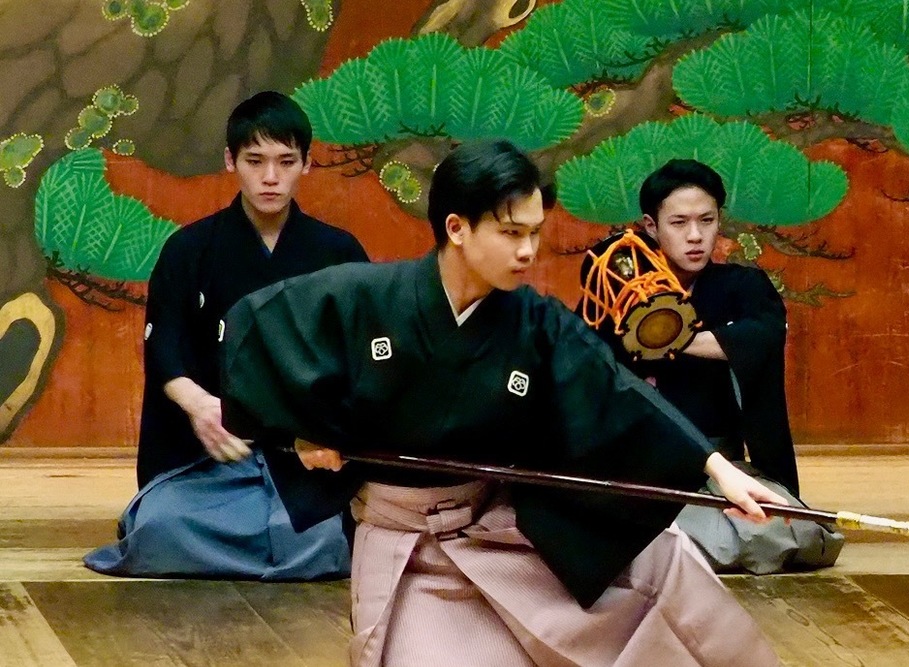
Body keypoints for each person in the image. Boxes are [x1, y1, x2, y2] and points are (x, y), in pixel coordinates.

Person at [219, 139, 785, 665]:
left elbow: (613, 390)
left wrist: (716, 470)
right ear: (457, 228)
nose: (528, 251)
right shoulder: (366, 296)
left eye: (535, 233)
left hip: (501, 528)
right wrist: (301, 431)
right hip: (405, 545)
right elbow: (253, 329)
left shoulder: (535, 323)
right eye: (512, 233)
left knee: (668, 567)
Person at [83, 91, 369, 581]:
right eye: (255, 161)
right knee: (159, 526)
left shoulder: (338, 253)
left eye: (286, 161)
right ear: (230, 161)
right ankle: (267, 549)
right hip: (206, 457)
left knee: (319, 538)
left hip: (299, 459)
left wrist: (324, 431)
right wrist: (200, 407)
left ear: (307, 163)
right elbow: (163, 348)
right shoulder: (189, 249)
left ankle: (264, 544)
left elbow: (363, 363)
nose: (270, 177)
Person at [582, 158, 843, 574]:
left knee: (794, 532)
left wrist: (662, 332)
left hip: (722, 468)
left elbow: (759, 338)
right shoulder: (621, 291)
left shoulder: (743, 286)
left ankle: (660, 546)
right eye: (679, 222)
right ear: (651, 226)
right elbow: (585, 364)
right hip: (639, 465)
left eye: (706, 220)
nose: (695, 235)